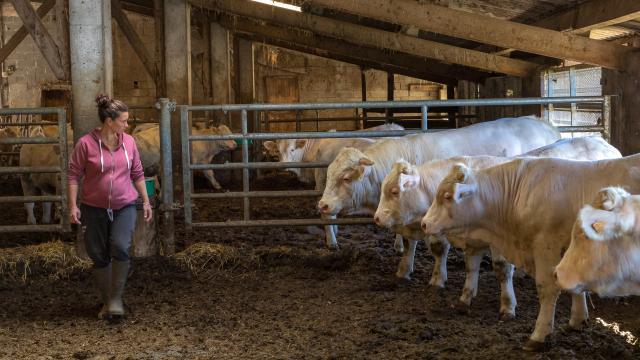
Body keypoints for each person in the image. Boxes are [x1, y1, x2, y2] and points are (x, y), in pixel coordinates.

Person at [68, 95, 152, 320]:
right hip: (93, 207)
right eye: (123, 121)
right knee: (97, 253)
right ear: (109, 121)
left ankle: (115, 299)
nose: (127, 125)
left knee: (120, 245)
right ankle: (108, 301)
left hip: (124, 204)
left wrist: (145, 200)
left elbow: (137, 173)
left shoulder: (130, 142)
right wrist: (73, 205)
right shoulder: (85, 144)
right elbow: (74, 175)